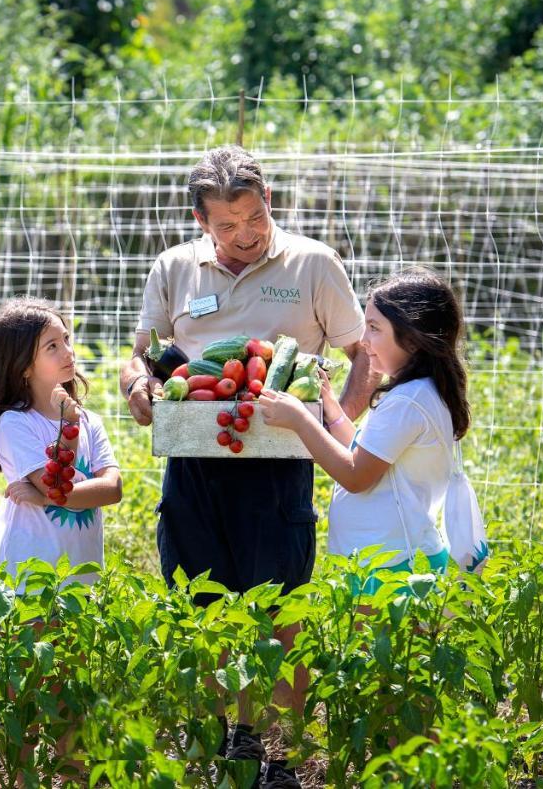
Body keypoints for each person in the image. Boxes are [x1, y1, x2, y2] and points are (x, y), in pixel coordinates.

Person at [118, 145, 374, 785]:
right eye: (225, 225)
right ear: (201, 221)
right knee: (201, 601)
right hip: (194, 460)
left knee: (281, 606)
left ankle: (280, 750)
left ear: (269, 204)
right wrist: (137, 389)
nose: (242, 235)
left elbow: (362, 356)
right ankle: (226, 741)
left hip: (279, 466)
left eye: (253, 218)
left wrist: (331, 426)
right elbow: (141, 355)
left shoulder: (314, 263)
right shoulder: (174, 267)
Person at [259, 268, 469, 593]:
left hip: (393, 568)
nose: (364, 341)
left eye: (374, 328)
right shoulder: (417, 392)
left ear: (412, 339)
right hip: (394, 557)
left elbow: (356, 476)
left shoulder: (407, 401)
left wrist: (301, 420)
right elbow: (366, 453)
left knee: (382, 645)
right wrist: (332, 408)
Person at [0, 297, 122, 587]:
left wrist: (42, 497)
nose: (68, 351)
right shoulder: (14, 423)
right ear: (23, 367)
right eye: (52, 346)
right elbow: (55, 485)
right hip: (30, 572)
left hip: (83, 570)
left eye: (66, 339)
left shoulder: (90, 420)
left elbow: (113, 489)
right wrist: (69, 424)